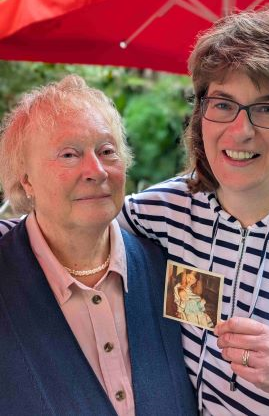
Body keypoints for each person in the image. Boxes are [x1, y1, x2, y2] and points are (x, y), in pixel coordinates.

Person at [118, 8, 269, 415]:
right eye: (223, 104)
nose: (241, 130)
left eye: (268, 108)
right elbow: (63, 231)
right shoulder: (163, 212)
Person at [0, 75, 197, 415]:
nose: (96, 170)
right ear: (26, 179)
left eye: (107, 151)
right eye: (69, 154)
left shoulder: (173, 269)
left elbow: (214, 378)